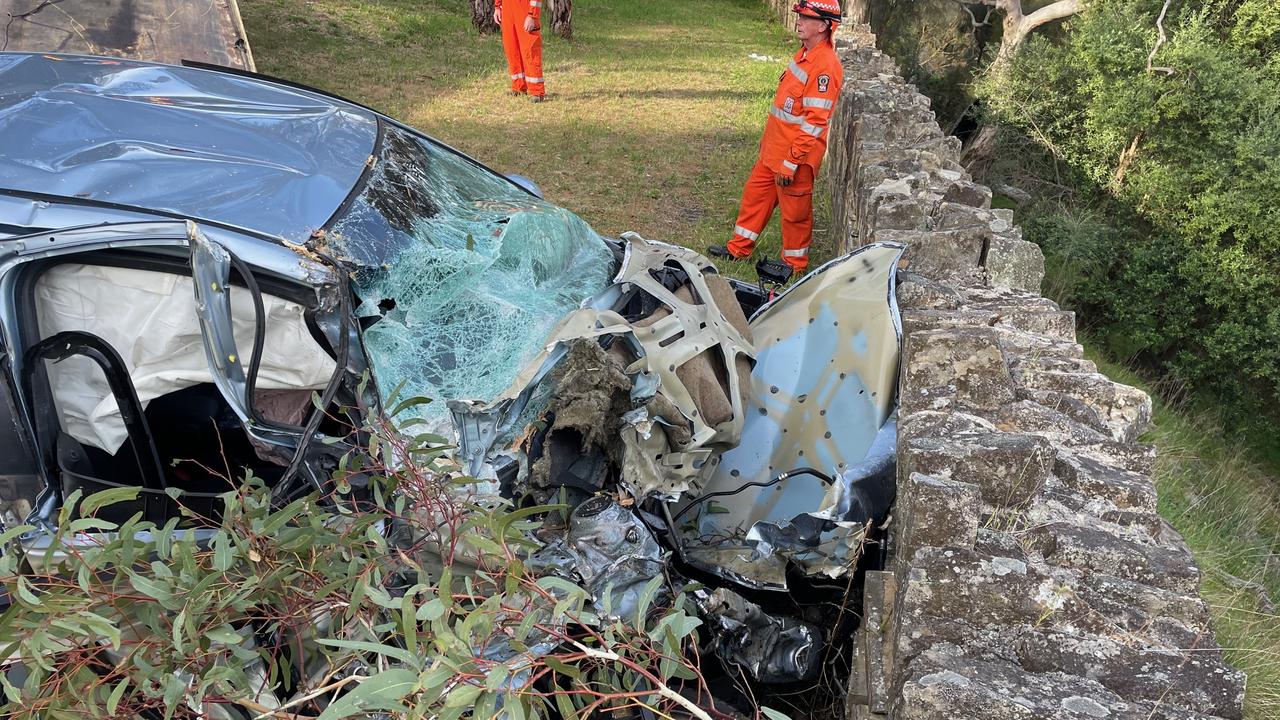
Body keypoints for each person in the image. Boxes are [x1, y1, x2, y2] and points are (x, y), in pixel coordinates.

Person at [708, 0, 844, 275]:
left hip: (794, 159)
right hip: (773, 152)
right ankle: (738, 249)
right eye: (800, 16)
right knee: (754, 198)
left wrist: (791, 162)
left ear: (824, 25)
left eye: (806, 18)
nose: (799, 22)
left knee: (795, 215)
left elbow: (815, 122)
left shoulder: (825, 66)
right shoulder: (805, 54)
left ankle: (793, 267)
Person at [495, 0, 545, 101]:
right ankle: (518, 86)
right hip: (508, 10)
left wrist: (532, 15)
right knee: (512, 49)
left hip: (525, 9)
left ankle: (536, 91)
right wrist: (497, 6)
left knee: (530, 50)